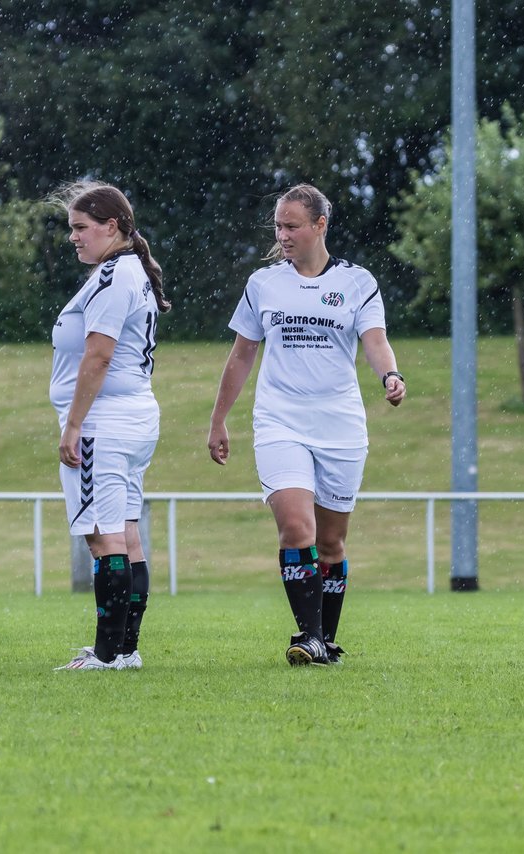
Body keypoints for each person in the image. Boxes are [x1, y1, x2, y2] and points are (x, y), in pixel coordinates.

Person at [208, 183, 406, 667]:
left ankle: (326, 639)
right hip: (280, 421)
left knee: (331, 542)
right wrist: (219, 419)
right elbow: (241, 355)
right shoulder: (264, 284)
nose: (283, 233)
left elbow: (375, 340)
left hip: (339, 425)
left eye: (292, 225)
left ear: (320, 225)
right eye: (278, 225)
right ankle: (310, 636)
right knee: (297, 528)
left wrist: (391, 374)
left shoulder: (358, 282)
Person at [48, 182, 170, 672]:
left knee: (103, 536)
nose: (73, 238)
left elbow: (98, 355)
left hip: (106, 420)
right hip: (134, 415)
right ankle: (125, 650)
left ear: (111, 226)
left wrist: (74, 425)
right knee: (126, 533)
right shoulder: (130, 270)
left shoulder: (113, 276)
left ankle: (105, 653)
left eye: (81, 228)